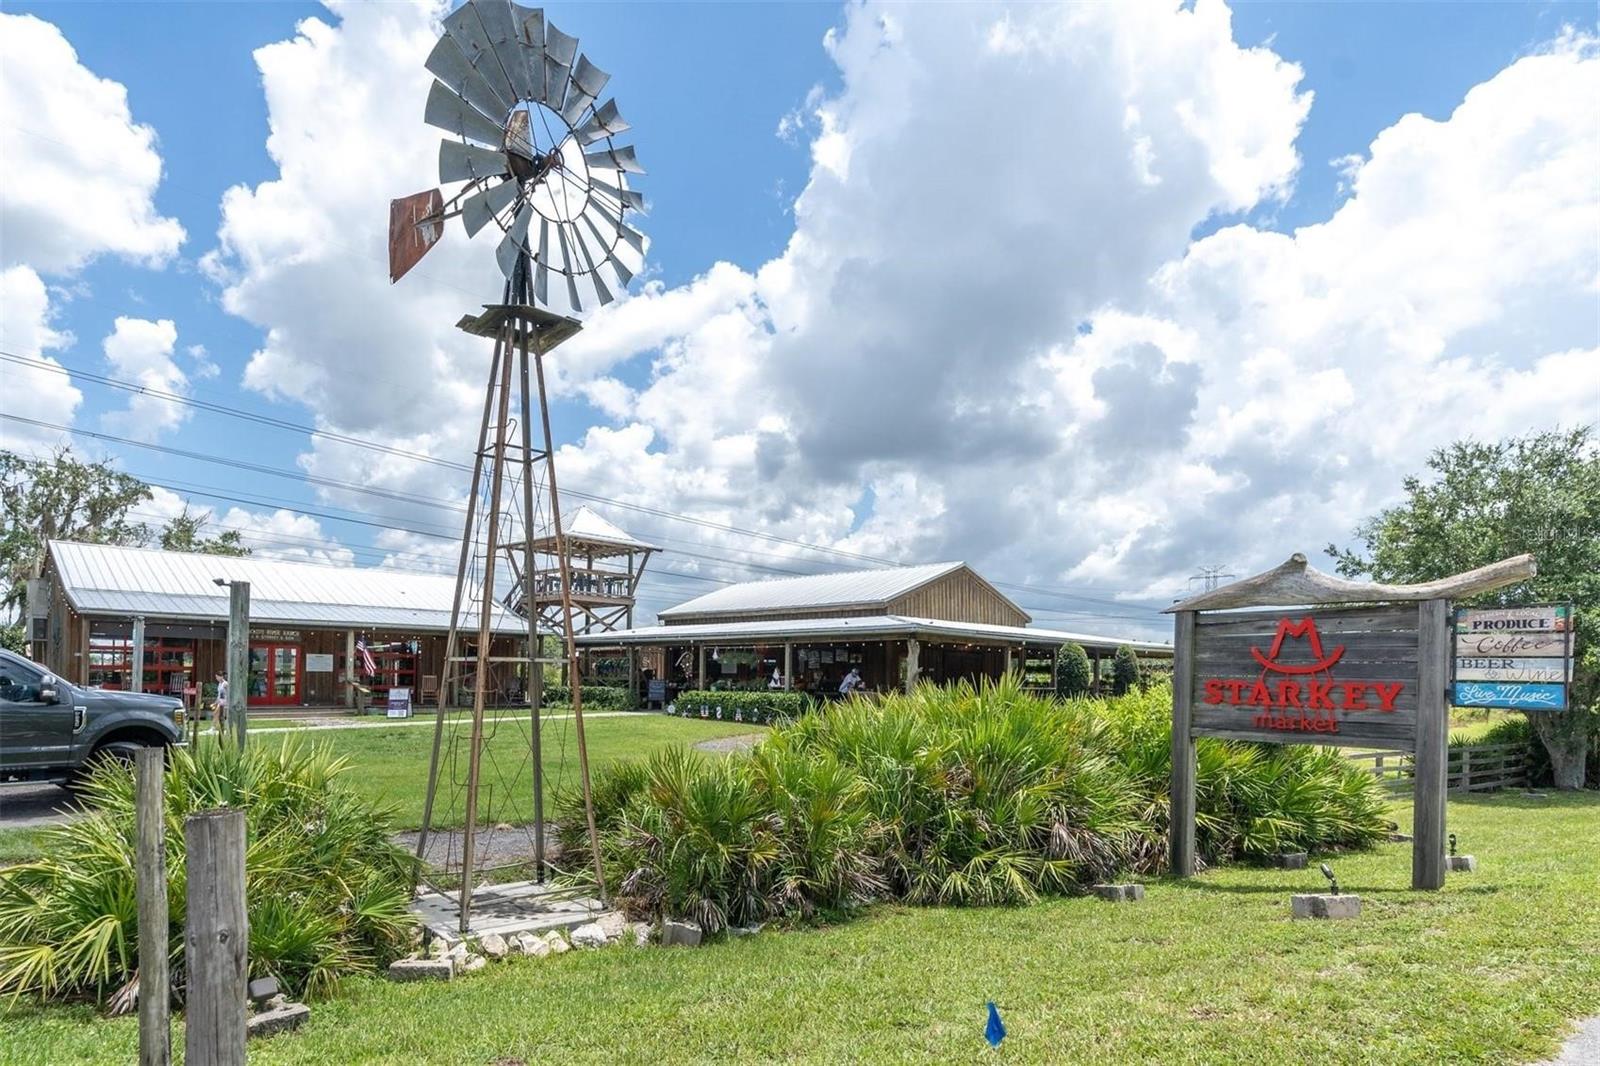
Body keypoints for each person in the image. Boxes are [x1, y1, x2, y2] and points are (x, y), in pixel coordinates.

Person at [212, 671, 229, 735]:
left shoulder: (225, 684)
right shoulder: (219, 684)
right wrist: (215, 702)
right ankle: (216, 727)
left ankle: (213, 727)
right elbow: (219, 694)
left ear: (221, 677)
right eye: (216, 677)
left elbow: (228, 693)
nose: (216, 678)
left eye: (217, 677)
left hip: (224, 701)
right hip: (220, 701)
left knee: (216, 713)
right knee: (216, 714)